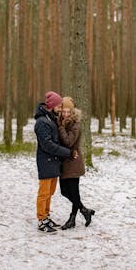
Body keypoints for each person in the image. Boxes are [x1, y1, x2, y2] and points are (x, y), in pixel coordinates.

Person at [33, 91, 74, 233]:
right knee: (44, 192)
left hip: (53, 162)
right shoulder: (41, 122)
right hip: (46, 161)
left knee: (50, 192)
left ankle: (46, 216)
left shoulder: (50, 119)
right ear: (52, 106)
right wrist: (66, 153)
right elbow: (47, 145)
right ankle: (41, 220)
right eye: (59, 106)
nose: (61, 108)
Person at [57, 97, 95, 230]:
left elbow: (68, 142)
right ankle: (85, 210)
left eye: (68, 111)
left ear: (72, 112)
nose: (66, 114)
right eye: (64, 111)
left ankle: (72, 219)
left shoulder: (75, 124)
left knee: (74, 192)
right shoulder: (62, 122)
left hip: (73, 162)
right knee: (64, 191)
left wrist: (60, 128)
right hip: (65, 162)